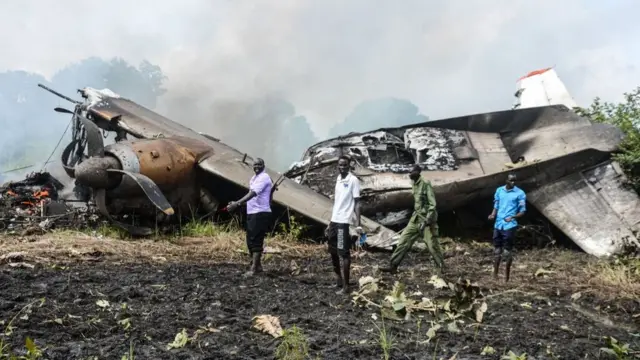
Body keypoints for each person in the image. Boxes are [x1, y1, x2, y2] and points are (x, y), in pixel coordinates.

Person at [380, 164, 444, 274]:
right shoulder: (414, 183)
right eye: (408, 172)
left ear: (418, 172)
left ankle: (441, 269)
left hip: (427, 221)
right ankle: (393, 266)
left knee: (433, 246)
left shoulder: (425, 183)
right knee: (403, 240)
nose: (409, 174)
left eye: (411, 172)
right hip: (416, 219)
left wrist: (427, 221)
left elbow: (432, 205)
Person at [227, 158, 273, 276]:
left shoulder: (264, 177)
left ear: (263, 165)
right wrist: (236, 202)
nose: (257, 166)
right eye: (255, 165)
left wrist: (237, 203)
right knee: (250, 240)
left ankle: (253, 269)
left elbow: (252, 193)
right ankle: (257, 266)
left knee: (256, 240)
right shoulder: (254, 178)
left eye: (259, 164)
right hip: (253, 212)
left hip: (260, 212)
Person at [325, 155, 363, 295]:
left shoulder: (353, 180)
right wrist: (330, 222)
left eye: (345, 165)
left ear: (349, 165)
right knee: (332, 251)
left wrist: (358, 224)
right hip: (335, 221)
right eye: (340, 165)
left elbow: (357, 202)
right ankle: (339, 280)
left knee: (343, 253)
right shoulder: (338, 179)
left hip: (343, 222)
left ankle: (346, 287)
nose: (342, 168)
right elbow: (337, 203)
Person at [488, 173, 526, 282]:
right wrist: (492, 214)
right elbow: (496, 205)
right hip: (498, 224)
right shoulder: (499, 190)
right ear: (506, 180)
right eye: (511, 180)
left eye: (514, 181)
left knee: (507, 251)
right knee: (497, 250)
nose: (513, 183)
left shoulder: (520, 193)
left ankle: (506, 278)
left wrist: (513, 217)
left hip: (510, 225)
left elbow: (522, 211)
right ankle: (495, 275)